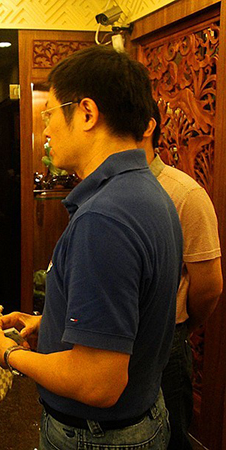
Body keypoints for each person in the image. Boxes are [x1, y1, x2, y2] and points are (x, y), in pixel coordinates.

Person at [0, 45, 182, 449]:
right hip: (142, 415)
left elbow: (98, 383)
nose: (45, 130)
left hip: (97, 436)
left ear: (87, 113)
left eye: (49, 114)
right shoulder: (147, 189)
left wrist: (11, 355)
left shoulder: (104, 217)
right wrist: (51, 325)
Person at [142, 105, 222, 450]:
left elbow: (209, 286)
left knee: (171, 435)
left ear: (147, 127)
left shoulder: (183, 193)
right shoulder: (102, 187)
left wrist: (179, 326)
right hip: (112, 341)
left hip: (166, 341)